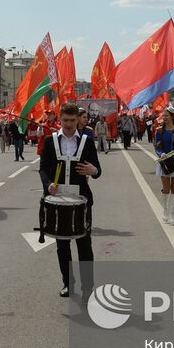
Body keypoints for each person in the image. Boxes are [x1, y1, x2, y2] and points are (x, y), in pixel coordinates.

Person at [39, 104, 101, 299]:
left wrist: (93, 170)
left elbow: (97, 170)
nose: (68, 124)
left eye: (72, 120)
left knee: (84, 245)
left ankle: (87, 288)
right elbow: (43, 168)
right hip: (57, 201)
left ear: (77, 121)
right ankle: (68, 283)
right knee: (62, 245)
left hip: (81, 201)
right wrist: (48, 184)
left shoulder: (87, 142)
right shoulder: (50, 141)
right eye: (65, 120)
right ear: (60, 119)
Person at [153, 109, 174, 224]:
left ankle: (171, 214)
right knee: (166, 188)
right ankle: (165, 212)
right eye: (163, 116)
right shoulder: (159, 131)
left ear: (172, 117)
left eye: (166, 116)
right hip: (164, 161)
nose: (164, 118)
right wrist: (161, 154)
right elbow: (157, 146)